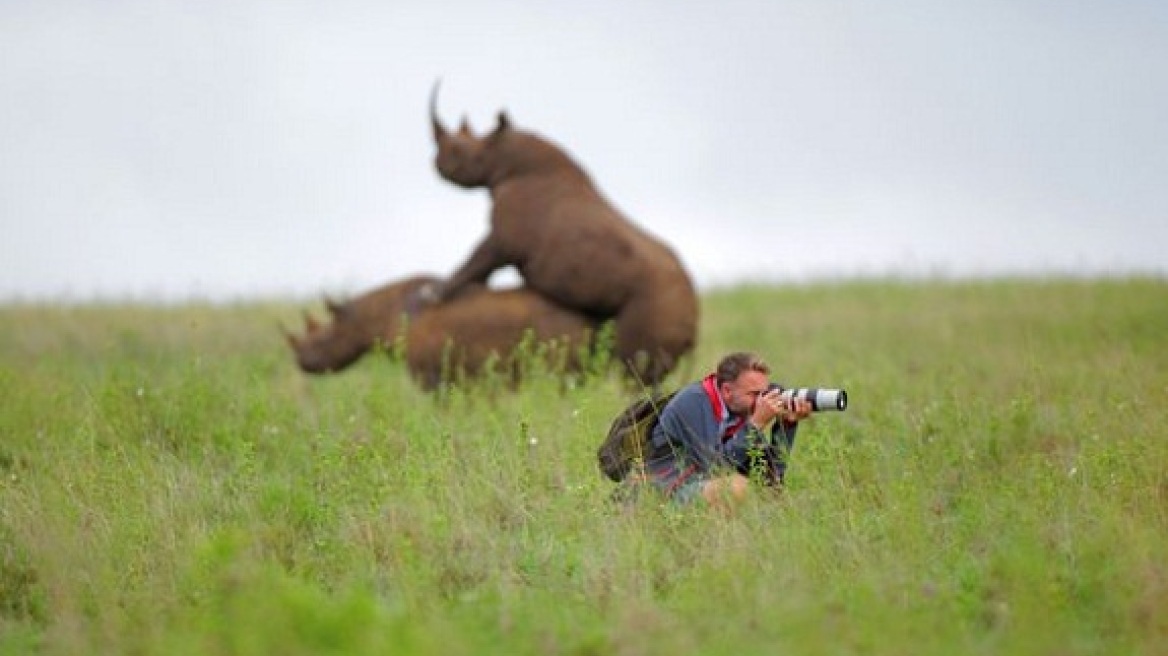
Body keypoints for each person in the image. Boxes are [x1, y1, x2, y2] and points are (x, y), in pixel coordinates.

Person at [643, 351, 813, 507]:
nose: (761, 400)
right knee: (737, 488)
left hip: (702, 482)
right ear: (727, 391)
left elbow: (772, 475)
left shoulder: (740, 408)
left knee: (773, 494)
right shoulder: (693, 403)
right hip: (666, 489)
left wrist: (786, 425)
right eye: (754, 394)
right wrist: (756, 424)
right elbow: (716, 468)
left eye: (764, 393)